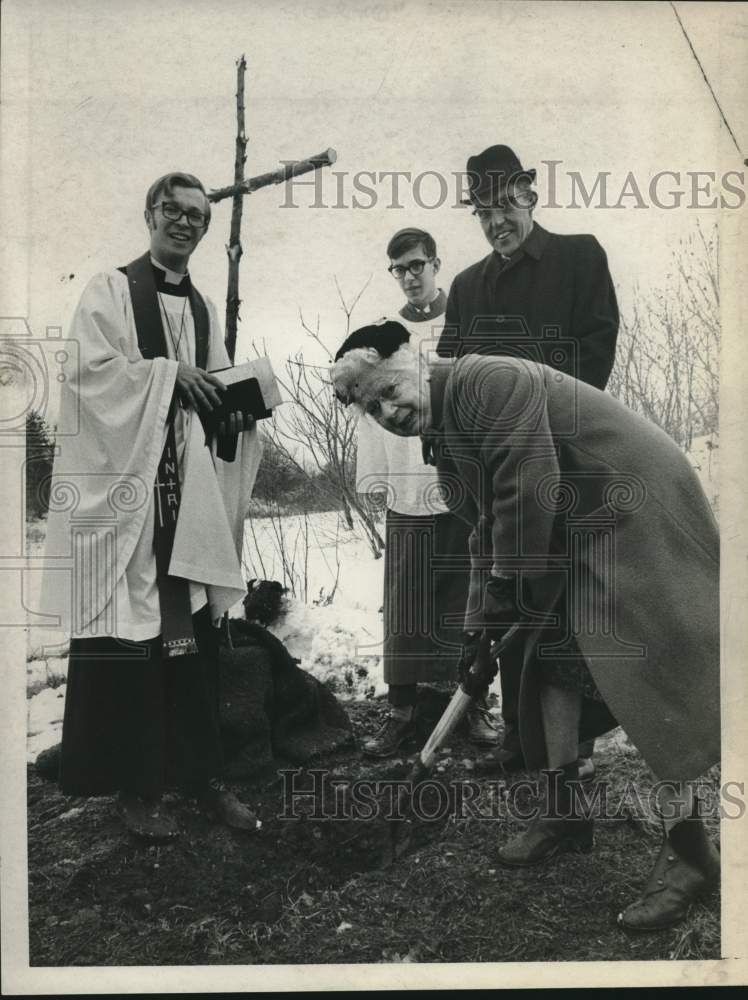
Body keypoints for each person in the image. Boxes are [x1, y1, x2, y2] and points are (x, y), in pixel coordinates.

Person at [331, 322, 720, 931]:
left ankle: (691, 853)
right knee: (546, 659)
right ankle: (564, 812)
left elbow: (528, 487)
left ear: (412, 363)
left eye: (388, 390)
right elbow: (487, 526)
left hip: (634, 508)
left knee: (648, 681)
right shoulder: (445, 434)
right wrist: (476, 632)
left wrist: (509, 596)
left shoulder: (490, 381)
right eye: (371, 406)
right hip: (577, 525)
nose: (388, 411)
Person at [41, 172, 264, 840]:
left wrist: (244, 406)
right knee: (130, 636)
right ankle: (133, 786)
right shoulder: (111, 290)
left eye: (199, 216)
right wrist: (168, 376)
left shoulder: (199, 309)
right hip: (129, 503)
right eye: (174, 211)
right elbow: (86, 377)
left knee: (188, 637)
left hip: (183, 501)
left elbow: (216, 389)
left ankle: (199, 775)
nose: (187, 223)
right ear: (149, 214)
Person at [437, 144, 620, 774]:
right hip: (498, 485)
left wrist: (538, 424)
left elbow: (596, 357)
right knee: (509, 599)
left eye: (505, 204)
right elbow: (450, 385)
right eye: (483, 212)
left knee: (565, 616)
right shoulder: (464, 288)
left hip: (570, 470)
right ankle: (519, 742)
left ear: (529, 195)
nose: (496, 222)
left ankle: (574, 754)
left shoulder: (580, 257)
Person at [354, 228, 496, 757]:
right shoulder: (381, 337)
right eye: (400, 269)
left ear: (435, 264)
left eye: (418, 265)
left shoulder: (459, 325)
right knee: (408, 599)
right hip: (408, 481)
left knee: (468, 597)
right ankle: (402, 712)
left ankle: (474, 704)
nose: (410, 276)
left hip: (460, 479)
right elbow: (367, 413)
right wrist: (376, 479)